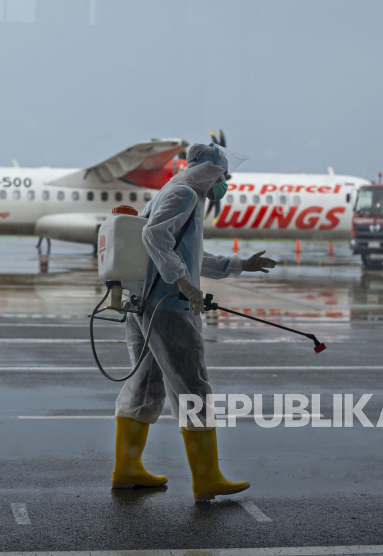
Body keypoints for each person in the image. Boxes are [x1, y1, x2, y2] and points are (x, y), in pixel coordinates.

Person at [112, 143, 276, 502]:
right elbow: (153, 236)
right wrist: (181, 282)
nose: (224, 185)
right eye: (224, 176)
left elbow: (191, 256)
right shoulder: (185, 192)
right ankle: (207, 479)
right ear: (211, 171)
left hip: (144, 304)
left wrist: (240, 264)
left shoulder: (173, 192)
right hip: (167, 306)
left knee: (145, 387)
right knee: (193, 389)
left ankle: (126, 469)